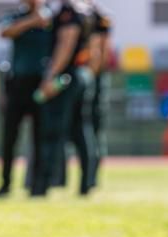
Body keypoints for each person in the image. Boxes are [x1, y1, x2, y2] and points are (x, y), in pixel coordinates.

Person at [0, 0, 54, 199]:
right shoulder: (16, 16)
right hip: (17, 83)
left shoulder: (53, 17)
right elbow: (4, 32)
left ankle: (37, 185)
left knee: (39, 136)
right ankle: (5, 184)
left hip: (41, 83)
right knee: (10, 137)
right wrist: (32, 21)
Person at [31, 0, 94, 197]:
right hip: (78, 74)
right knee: (80, 130)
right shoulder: (84, 9)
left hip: (64, 77)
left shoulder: (68, 10)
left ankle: (44, 185)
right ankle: (86, 184)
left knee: (53, 131)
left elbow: (66, 45)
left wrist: (50, 76)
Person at [87, 3, 111, 188]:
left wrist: (91, 76)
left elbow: (102, 52)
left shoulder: (98, 17)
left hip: (93, 81)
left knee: (93, 132)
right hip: (85, 77)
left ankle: (91, 177)